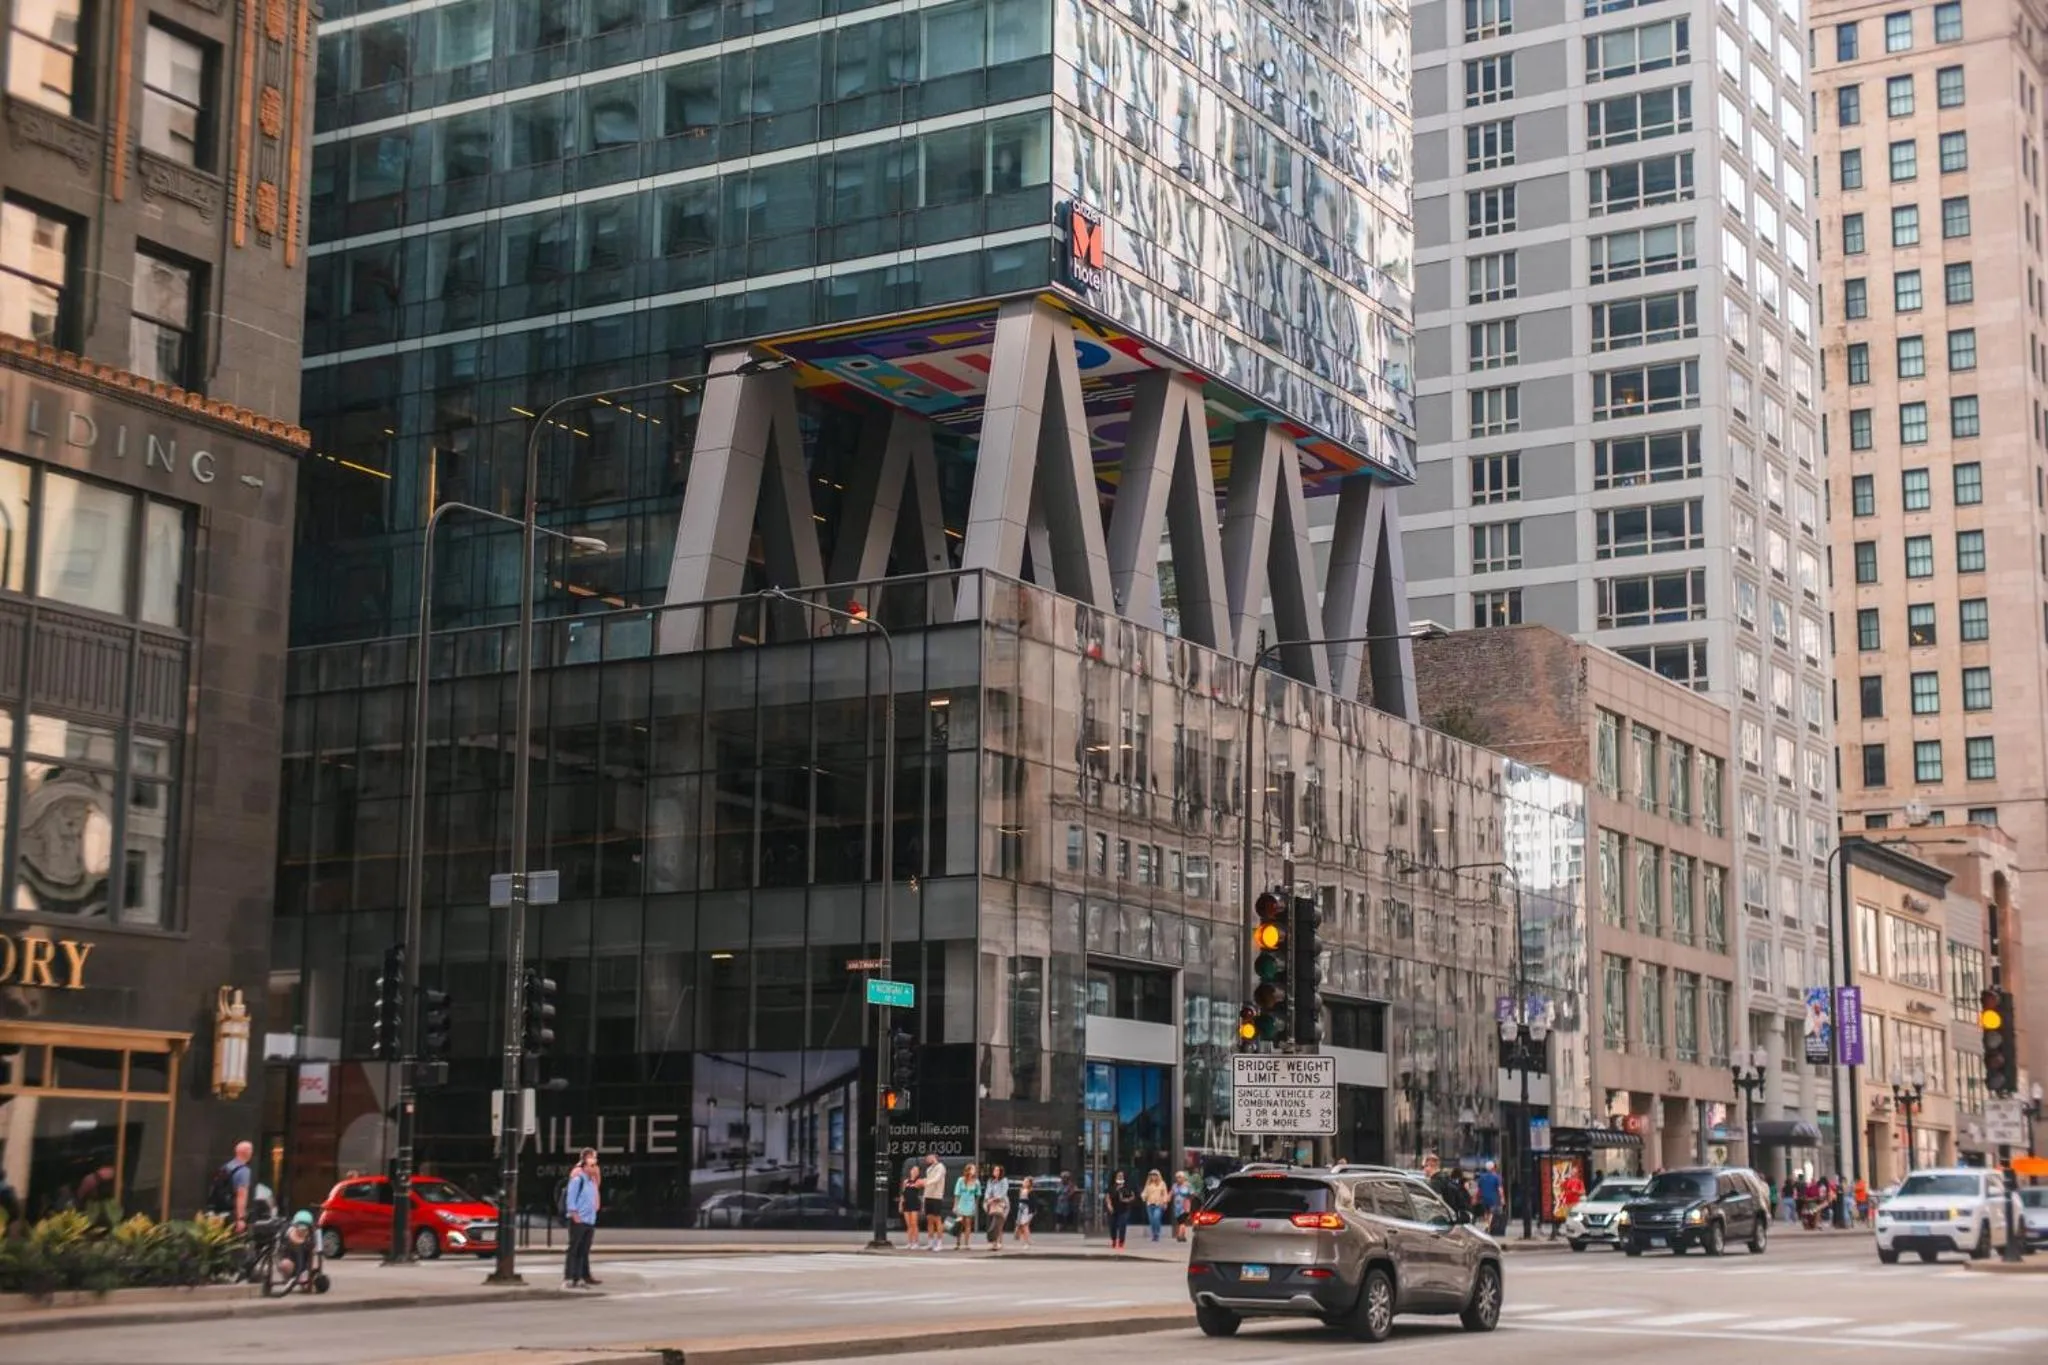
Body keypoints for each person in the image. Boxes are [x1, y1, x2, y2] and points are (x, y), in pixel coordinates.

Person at [562, 1149, 601, 1289]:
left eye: (595, 1165)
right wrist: (574, 1214)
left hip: (589, 1220)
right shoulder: (578, 1179)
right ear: (584, 1167)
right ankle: (568, 1277)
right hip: (579, 1219)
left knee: (583, 1250)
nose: (594, 1168)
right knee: (574, 1249)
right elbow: (571, 1198)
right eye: (592, 1166)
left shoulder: (592, 1181)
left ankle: (578, 1277)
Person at [210, 1140, 257, 1233]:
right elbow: (241, 1195)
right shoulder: (243, 1171)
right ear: (248, 1152)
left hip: (218, 1212)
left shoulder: (226, 1167)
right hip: (232, 1215)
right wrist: (241, 1219)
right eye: (251, 1150)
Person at [951, 1162, 982, 1251]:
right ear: (968, 1170)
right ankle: (958, 1243)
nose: (974, 1171)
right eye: (972, 1169)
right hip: (961, 1203)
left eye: (974, 1169)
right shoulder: (961, 1180)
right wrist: (955, 1205)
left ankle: (967, 1243)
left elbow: (978, 1194)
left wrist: (975, 1204)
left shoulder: (976, 1182)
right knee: (959, 1223)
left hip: (970, 1203)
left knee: (968, 1224)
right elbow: (957, 1194)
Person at [921, 1153, 948, 1251]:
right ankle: (930, 1243)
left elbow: (937, 1178)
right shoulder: (928, 1169)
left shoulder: (941, 1167)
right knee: (929, 1219)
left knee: (937, 1219)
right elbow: (928, 1180)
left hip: (936, 1196)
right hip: (928, 1195)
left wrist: (926, 1182)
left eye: (928, 1157)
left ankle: (939, 1243)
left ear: (933, 1157)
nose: (927, 1159)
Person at [1104, 1170, 1138, 1249]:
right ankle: (1114, 1240)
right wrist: (1109, 1205)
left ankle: (1121, 1242)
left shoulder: (1128, 1186)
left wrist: (1127, 1200)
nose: (1120, 1176)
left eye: (1121, 1175)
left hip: (1124, 1209)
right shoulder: (1112, 1186)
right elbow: (1107, 1196)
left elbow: (1133, 1196)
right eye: (1118, 1175)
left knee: (1122, 1224)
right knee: (1112, 1225)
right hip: (1113, 1209)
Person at [983, 1165, 1011, 1250]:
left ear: (1001, 1172)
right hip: (993, 1205)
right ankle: (995, 1243)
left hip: (1002, 1204)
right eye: (995, 1170)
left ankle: (998, 1243)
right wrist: (987, 1200)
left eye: (997, 1170)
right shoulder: (990, 1181)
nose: (995, 1171)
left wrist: (994, 1199)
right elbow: (987, 1192)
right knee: (994, 1224)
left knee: (999, 1224)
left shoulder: (1004, 1180)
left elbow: (1003, 1193)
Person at [899, 1160, 925, 1249]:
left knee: (914, 1223)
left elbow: (926, 1183)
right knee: (908, 1224)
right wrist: (900, 1204)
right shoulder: (906, 1181)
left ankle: (916, 1242)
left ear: (918, 1173)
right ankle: (909, 1242)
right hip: (906, 1203)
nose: (914, 1172)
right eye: (913, 1170)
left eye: (916, 1170)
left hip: (914, 1203)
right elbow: (903, 1194)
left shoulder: (919, 1181)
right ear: (910, 1171)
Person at [1477, 1160, 1505, 1235]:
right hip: (1493, 1198)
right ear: (1493, 1168)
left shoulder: (1482, 1177)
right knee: (1491, 1212)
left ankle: (1486, 1224)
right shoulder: (1497, 1177)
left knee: (1486, 1212)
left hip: (1484, 1198)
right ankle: (1488, 1225)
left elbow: (1479, 1189)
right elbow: (1500, 1189)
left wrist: (1477, 1197)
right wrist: (1502, 1198)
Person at [1170, 1170, 1196, 1242]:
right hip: (1177, 1207)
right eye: (1177, 1177)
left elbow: (1193, 1194)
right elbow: (1171, 1193)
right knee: (1181, 1222)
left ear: (1183, 1178)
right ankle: (1183, 1237)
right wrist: (1166, 1199)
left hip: (1185, 1206)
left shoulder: (1188, 1185)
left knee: (1182, 1221)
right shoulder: (1174, 1185)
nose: (1178, 1179)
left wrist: (1188, 1199)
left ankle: (1179, 1235)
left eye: (1180, 1177)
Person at [1015, 1176, 1036, 1248]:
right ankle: (1027, 1241)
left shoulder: (1030, 1191)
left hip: (1026, 1210)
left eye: (1026, 1181)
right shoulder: (1022, 1190)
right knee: (1023, 1226)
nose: (1024, 1182)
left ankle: (1026, 1242)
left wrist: (1032, 1212)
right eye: (1024, 1181)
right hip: (1021, 1209)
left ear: (1029, 1183)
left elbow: (1032, 1202)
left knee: (1024, 1226)